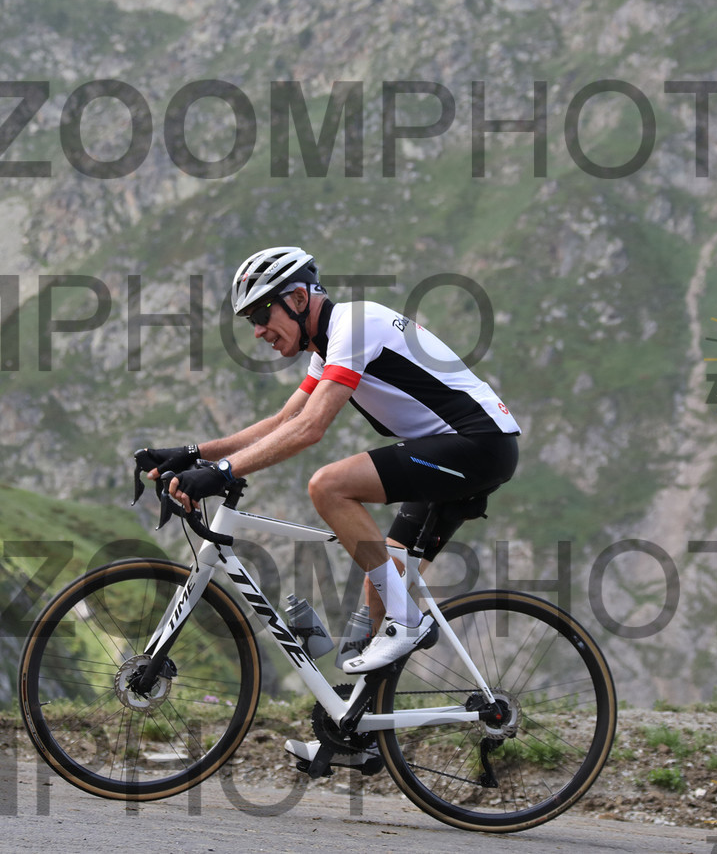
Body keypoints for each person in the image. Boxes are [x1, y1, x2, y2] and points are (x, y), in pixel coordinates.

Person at [141, 245, 519, 768]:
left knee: (329, 486)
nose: (258, 331)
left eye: (261, 314)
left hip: (477, 446)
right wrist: (193, 453)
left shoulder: (355, 326)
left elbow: (310, 429)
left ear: (298, 299)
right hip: (458, 452)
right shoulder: (330, 345)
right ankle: (358, 735)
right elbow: (283, 421)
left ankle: (408, 625)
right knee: (382, 580)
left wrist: (222, 473)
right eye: (251, 321)